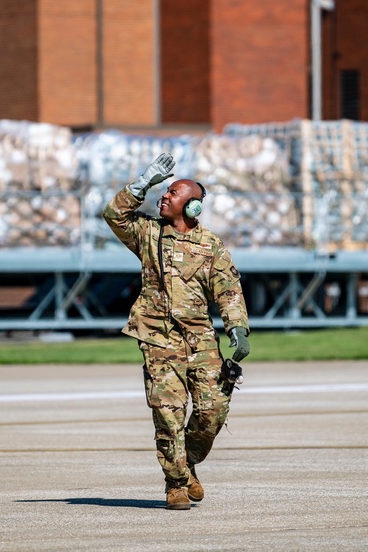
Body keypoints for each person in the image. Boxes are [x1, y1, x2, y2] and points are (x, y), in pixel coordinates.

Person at [103, 152, 250, 510]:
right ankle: (176, 483)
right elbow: (114, 215)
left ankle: (188, 462)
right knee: (167, 413)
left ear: (193, 208)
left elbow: (228, 290)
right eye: (164, 191)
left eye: (172, 193)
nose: (164, 197)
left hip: (200, 341)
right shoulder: (148, 233)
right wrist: (142, 182)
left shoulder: (211, 246)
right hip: (158, 339)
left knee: (212, 410)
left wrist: (237, 327)